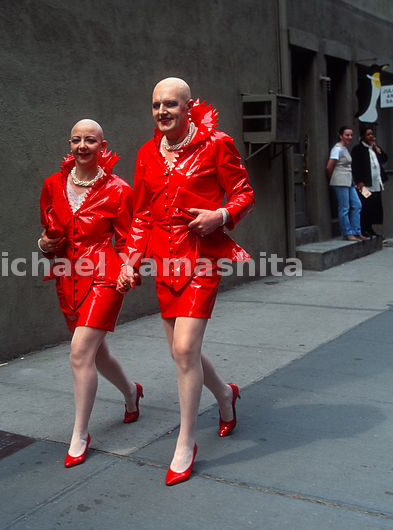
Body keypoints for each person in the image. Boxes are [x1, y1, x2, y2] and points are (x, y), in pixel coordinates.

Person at [117, 77, 254, 486]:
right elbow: (142, 215)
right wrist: (130, 261)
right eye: (156, 104)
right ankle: (225, 394)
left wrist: (220, 215)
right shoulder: (147, 153)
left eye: (171, 104)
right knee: (183, 353)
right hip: (164, 262)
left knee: (184, 348)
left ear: (188, 106)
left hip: (202, 259)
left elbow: (244, 193)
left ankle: (186, 441)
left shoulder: (217, 144)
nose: (162, 111)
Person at [38, 119, 143, 468]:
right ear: (69, 144)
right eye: (76, 140)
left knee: (80, 352)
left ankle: (80, 434)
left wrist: (128, 268)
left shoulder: (119, 189)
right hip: (68, 277)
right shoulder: (52, 185)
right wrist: (44, 245)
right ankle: (131, 392)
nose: (82, 146)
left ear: (102, 146)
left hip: (105, 276)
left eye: (90, 140)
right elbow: (48, 236)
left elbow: (130, 239)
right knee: (97, 354)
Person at [326, 126, 365, 241]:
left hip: (349, 181)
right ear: (340, 135)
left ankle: (356, 231)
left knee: (357, 204)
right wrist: (333, 178)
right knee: (344, 207)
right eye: (347, 135)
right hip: (340, 181)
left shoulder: (345, 148)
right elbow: (329, 167)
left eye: (351, 135)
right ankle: (347, 233)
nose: (349, 137)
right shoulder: (337, 149)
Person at [351, 126, 387, 238]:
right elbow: (355, 167)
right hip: (364, 184)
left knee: (374, 206)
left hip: (376, 183)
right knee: (365, 205)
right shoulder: (358, 149)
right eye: (368, 134)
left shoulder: (374, 148)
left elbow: (384, 159)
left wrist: (377, 148)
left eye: (372, 134)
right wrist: (359, 181)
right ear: (362, 137)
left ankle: (370, 228)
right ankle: (363, 229)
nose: (371, 136)